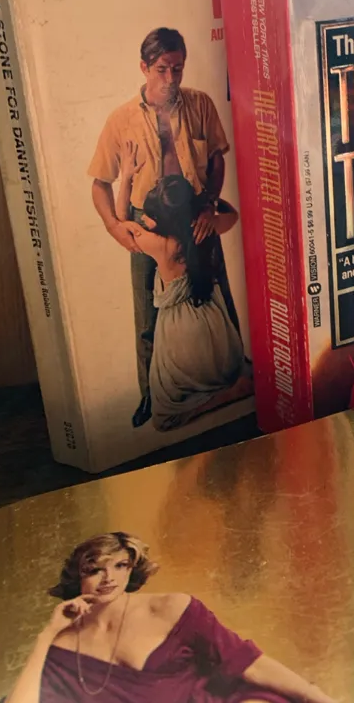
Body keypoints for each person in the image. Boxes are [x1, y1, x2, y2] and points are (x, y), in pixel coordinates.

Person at [89, 28, 238, 427]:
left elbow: (218, 158)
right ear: (144, 67)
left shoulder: (200, 104)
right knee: (147, 312)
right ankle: (150, 396)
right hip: (147, 220)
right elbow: (100, 183)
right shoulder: (121, 119)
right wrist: (113, 226)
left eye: (178, 68)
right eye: (161, 69)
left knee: (217, 292)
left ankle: (232, 370)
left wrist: (210, 204)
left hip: (197, 212)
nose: (171, 78)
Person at [5, 531, 338, 703]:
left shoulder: (172, 608)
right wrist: (46, 635)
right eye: (94, 570)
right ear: (76, 577)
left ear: (131, 569)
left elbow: (248, 663)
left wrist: (318, 699)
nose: (108, 578)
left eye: (119, 565)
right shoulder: (62, 648)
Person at [118, 172, 251, 432]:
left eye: (150, 216)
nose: (144, 219)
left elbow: (122, 221)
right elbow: (232, 214)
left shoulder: (159, 245)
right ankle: (229, 385)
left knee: (164, 419)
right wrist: (210, 207)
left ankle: (225, 397)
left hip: (182, 336)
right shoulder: (207, 230)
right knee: (217, 372)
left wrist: (125, 178)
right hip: (215, 329)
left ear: (162, 221)